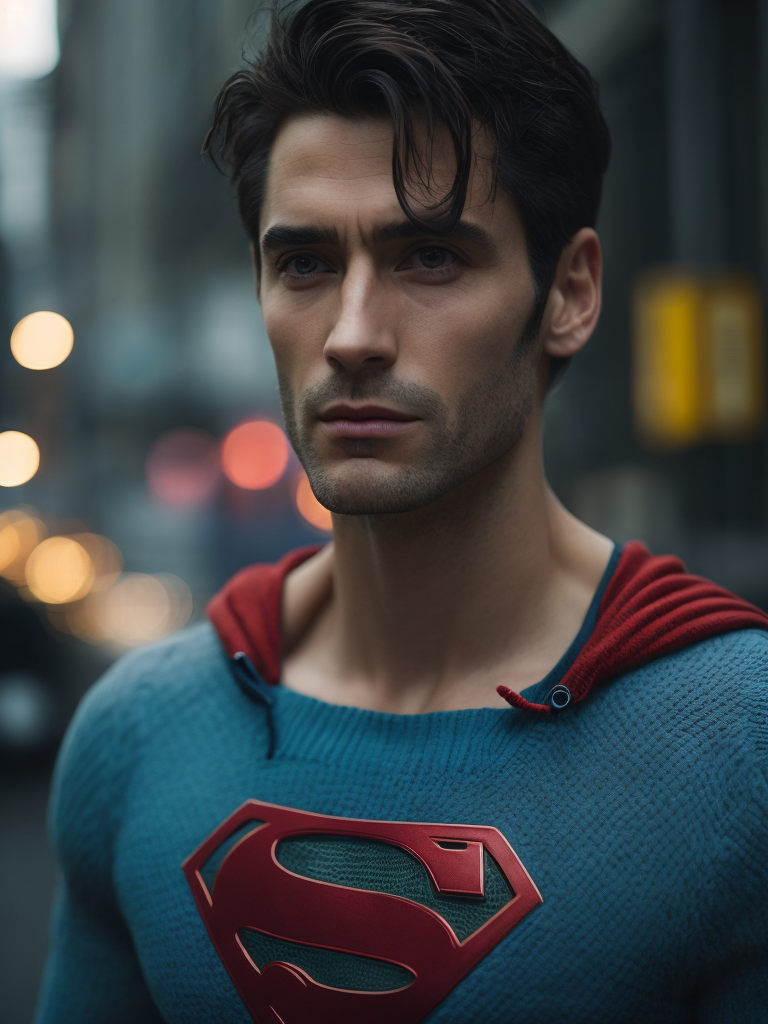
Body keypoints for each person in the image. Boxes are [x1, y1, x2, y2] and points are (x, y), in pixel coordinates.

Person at [35, 1, 768, 1022]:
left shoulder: (739, 743)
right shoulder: (140, 734)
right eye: (305, 263)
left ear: (570, 293)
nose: (352, 334)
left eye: (430, 258)